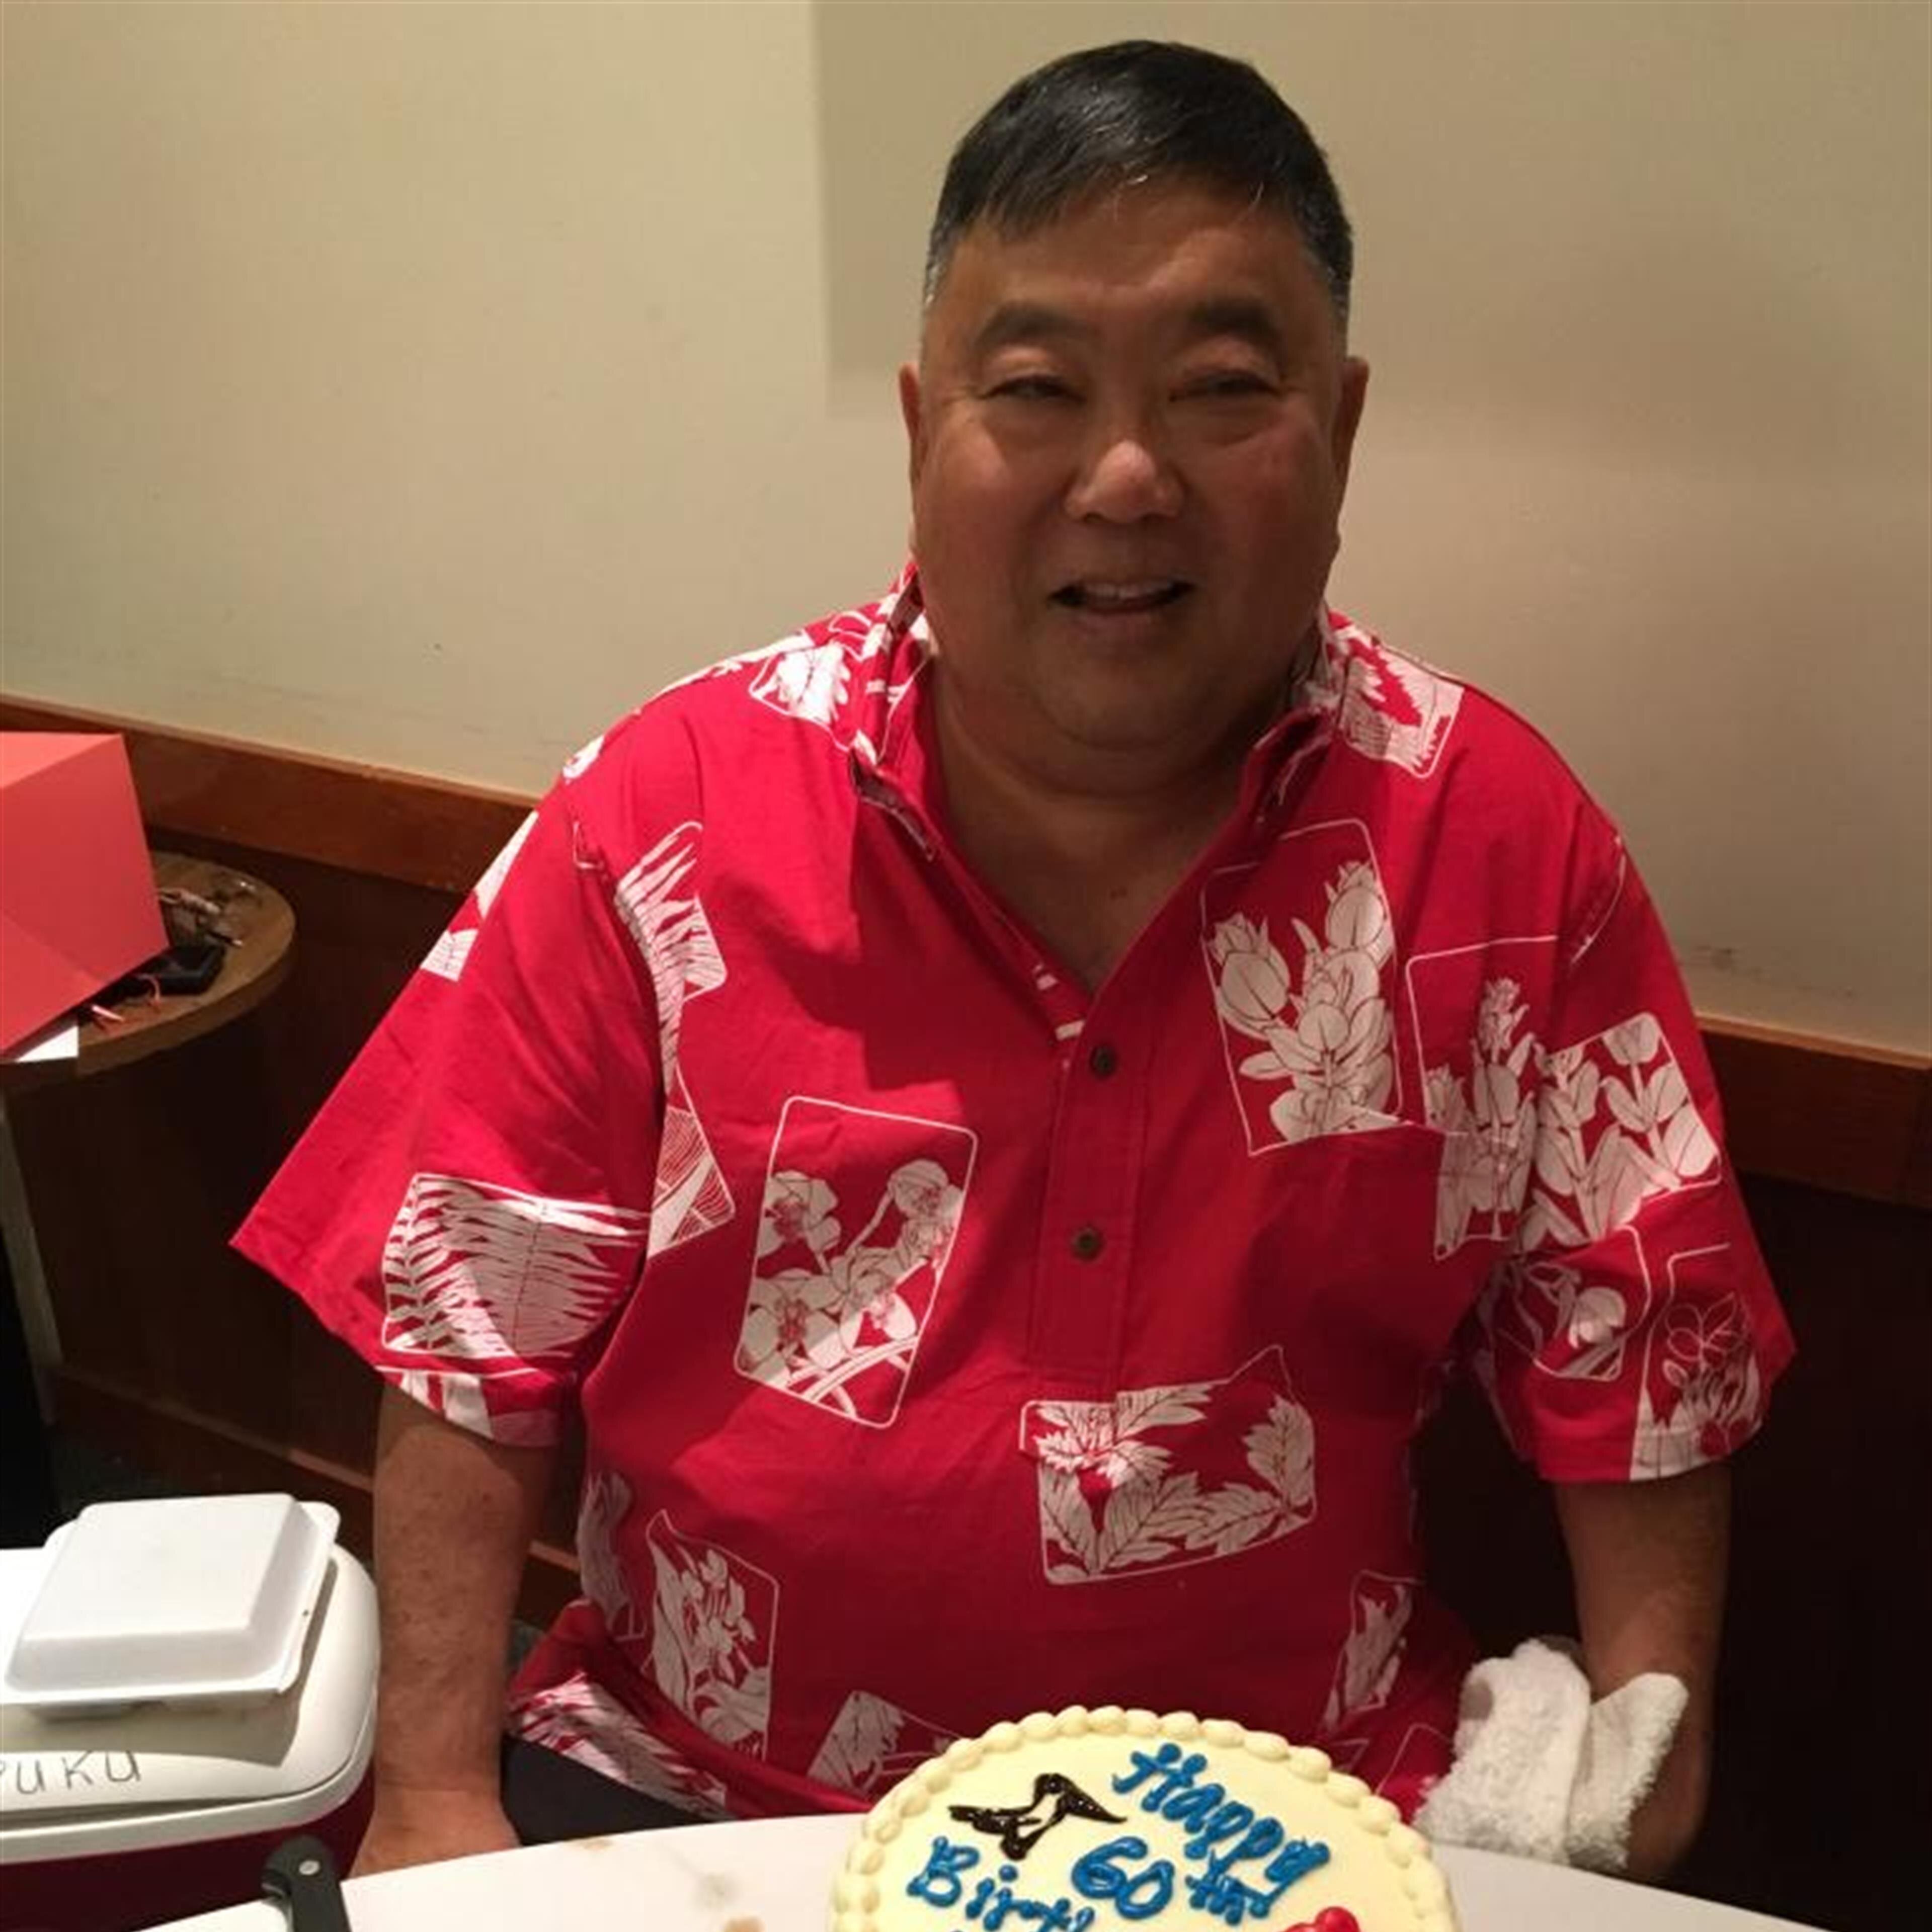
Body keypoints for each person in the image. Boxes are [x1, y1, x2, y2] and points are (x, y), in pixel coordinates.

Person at [236, 40, 1792, 1886]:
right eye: (1039, 389)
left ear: (1345, 425)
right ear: (923, 431)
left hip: (1285, 1814)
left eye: (1223, 389)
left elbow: (1645, 1357)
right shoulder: (660, 813)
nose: (1124, 477)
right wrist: (431, 1796)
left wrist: (1643, 1760)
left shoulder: (1502, 841)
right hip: (702, 1792)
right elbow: (466, 1325)